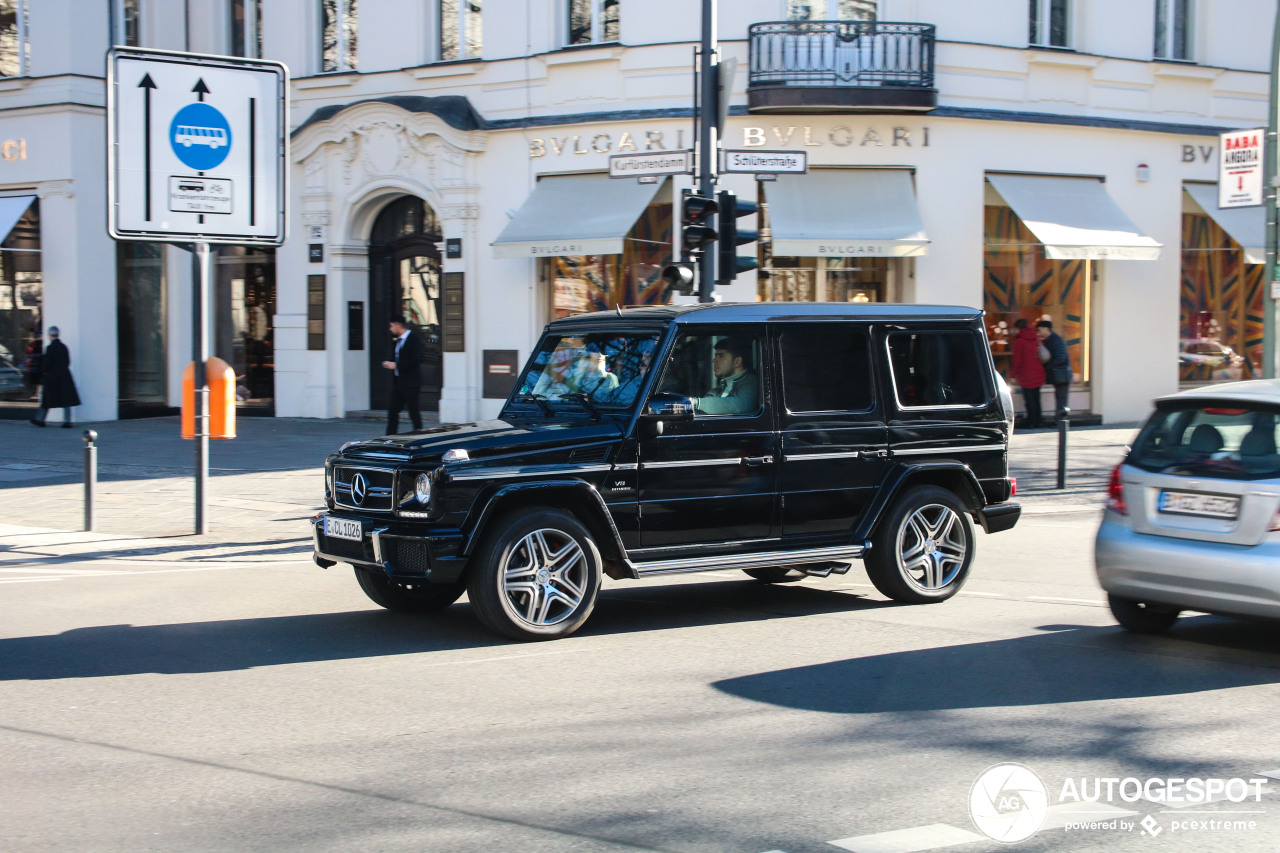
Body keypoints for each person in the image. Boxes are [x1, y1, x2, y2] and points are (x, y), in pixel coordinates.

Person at [381, 315, 425, 434]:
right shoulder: (398, 341)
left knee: (413, 411)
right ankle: (390, 437)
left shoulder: (414, 340)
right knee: (392, 410)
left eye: (391, 326)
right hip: (399, 382)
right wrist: (389, 362)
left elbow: (415, 360)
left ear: (398, 325)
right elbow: (398, 357)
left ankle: (419, 434)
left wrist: (396, 365)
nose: (390, 329)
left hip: (411, 382)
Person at [693, 337, 759, 415]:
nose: (714, 361)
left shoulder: (751, 383)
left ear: (737, 361)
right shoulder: (720, 387)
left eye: (721, 356)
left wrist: (696, 402)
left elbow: (744, 405)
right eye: (715, 356)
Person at [30, 326, 80, 428]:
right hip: (64, 375)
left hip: (52, 377)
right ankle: (67, 421)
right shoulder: (64, 347)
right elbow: (67, 361)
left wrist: (43, 371)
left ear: (50, 335)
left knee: (47, 399)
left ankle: (40, 419)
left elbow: (47, 363)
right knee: (66, 399)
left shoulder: (50, 348)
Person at [1009, 318, 1045, 429]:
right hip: (1038, 372)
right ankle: (1038, 421)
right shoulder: (1036, 338)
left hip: (1026, 374)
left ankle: (1031, 421)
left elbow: (1017, 360)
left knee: (1029, 401)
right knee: (1036, 399)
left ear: (1018, 328)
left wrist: (1012, 374)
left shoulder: (1020, 341)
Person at [1036, 319, 1072, 421]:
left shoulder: (1055, 339)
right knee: (1060, 398)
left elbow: (1061, 357)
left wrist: (1049, 366)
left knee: (1061, 400)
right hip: (1059, 374)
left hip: (1061, 374)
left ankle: (1061, 421)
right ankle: (1059, 420)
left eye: (1040, 329)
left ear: (1046, 329)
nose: (1038, 332)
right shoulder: (1051, 339)